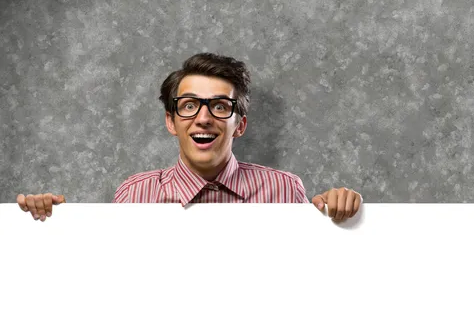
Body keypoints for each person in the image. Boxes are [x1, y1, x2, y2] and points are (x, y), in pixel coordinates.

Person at [16, 53, 362, 222]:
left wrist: (340, 215)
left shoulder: (285, 190)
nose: (204, 118)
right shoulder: (135, 195)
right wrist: (44, 223)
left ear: (239, 124)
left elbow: (310, 279)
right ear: (171, 121)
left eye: (220, 107)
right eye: (190, 105)